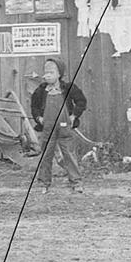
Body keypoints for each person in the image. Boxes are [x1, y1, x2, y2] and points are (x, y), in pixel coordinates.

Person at [30, 57, 87, 194]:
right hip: (48, 128)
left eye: (51, 72)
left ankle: (76, 182)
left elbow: (81, 101)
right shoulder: (41, 91)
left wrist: (74, 116)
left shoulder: (68, 88)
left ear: (59, 74)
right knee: (46, 155)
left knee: (69, 154)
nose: (47, 75)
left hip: (65, 127)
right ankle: (44, 183)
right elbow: (34, 107)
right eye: (46, 72)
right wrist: (39, 118)